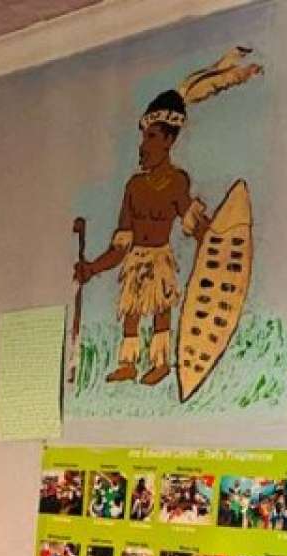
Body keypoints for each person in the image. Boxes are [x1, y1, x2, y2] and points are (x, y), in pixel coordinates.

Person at [73, 90, 211, 388]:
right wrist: (93, 268)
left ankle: (160, 363)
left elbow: (192, 221)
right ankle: (128, 363)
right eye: (143, 137)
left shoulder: (177, 182)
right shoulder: (134, 186)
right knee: (131, 310)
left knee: (161, 307)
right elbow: (121, 243)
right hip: (135, 260)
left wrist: (212, 239)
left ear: (168, 141)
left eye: (151, 137)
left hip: (159, 257)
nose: (143, 146)